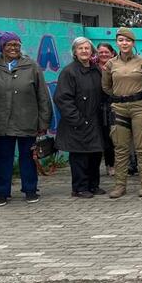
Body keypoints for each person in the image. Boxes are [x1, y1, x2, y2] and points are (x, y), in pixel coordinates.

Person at [0, 32, 51, 205]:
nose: (13, 48)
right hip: (3, 120)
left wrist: (43, 122)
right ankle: (1, 192)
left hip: (28, 120)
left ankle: (30, 189)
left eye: (16, 44)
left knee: (28, 156)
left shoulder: (31, 65)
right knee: (3, 158)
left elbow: (43, 95)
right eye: (9, 45)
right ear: (2, 47)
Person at [101, 27, 142, 198]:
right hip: (119, 107)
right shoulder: (111, 64)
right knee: (120, 147)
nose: (124, 43)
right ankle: (120, 185)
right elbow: (106, 86)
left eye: (128, 40)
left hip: (139, 106)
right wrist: (119, 96)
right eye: (121, 40)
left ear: (133, 43)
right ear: (117, 43)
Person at [54, 37, 106, 199]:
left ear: (92, 51)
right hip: (77, 122)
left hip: (95, 121)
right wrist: (77, 119)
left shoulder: (96, 70)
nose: (84, 51)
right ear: (74, 52)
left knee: (95, 154)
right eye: (80, 48)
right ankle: (79, 187)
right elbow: (62, 98)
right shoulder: (69, 72)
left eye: (87, 48)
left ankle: (93, 185)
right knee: (79, 156)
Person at [95, 43, 117, 175]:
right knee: (100, 136)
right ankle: (103, 165)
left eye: (106, 52)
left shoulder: (116, 66)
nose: (103, 54)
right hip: (97, 106)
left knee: (112, 136)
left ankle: (112, 164)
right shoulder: (93, 68)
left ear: (112, 53)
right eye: (100, 52)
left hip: (113, 105)